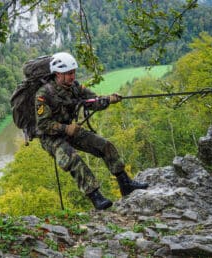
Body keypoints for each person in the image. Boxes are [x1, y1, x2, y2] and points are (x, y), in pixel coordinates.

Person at [35, 52, 148, 210]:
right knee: (72, 159)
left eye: (73, 72)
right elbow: (42, 125)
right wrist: (65, 128)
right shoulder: (43, 95)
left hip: (71, 130)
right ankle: (96, 197)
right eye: (68, 74)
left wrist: (108, 100)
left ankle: (125, 183)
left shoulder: (75, 87)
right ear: (57, 74)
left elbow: (93, 101)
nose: (72, 76)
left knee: (104, 145)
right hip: (51, 137)